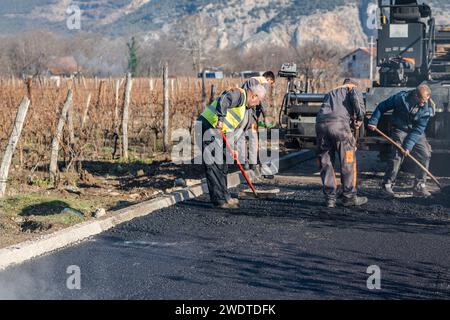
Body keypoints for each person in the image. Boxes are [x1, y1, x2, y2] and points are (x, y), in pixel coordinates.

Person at [197, 81, 266, 209]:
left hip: (220, 133)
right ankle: (219, 201)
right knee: (214, 165)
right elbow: (224, 98)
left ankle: (225, 196)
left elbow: (236, 131)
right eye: (258, 101)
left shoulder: (246, 109)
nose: (258, 104)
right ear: (254, 96)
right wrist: (220, 119)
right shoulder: (239, 95)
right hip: (208, 126)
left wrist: (233, 149)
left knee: (223, 165)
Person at [367, 84, 433, 197]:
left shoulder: (427, 108)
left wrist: (408, 146)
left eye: (426, 100)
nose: (424, 103)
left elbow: (418, 129)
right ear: (415, 96)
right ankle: (387, 185)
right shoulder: (400, 98)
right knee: (397, 154)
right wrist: (373, 121)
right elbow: (381, 107)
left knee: (425, 153)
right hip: (400, 128)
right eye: (422, 101)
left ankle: (419, 186)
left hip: (416, 132)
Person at [315, 78, 368, 208]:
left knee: (325, 161)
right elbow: (356, 100)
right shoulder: (352, 88)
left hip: (320, 125)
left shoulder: (331, 92)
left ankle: (330, 199)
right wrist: (360, 118)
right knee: (347, 161)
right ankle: (349, 197)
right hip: (339, 127)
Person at [242, 71, 276, 174]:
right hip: (249, 114)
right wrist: (265, 117)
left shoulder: (251, 80)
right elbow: (262, 100)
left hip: (242, 112)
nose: (269, 86)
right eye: (271, 83)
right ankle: (252, 164)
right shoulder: (263, 82)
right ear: (269, 79)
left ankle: (245, 163)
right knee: (253, 137)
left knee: (241, 137)